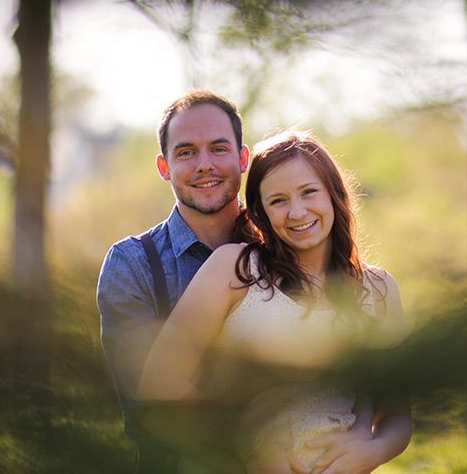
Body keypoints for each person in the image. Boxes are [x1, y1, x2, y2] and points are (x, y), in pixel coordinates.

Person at [139, 130, 412, 474]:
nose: (297, 212)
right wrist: (247, 447)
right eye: (278, 200)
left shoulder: (379, 289)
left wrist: (369, 452)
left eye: (309, 192)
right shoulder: (234, 269)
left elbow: (398, 416)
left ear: (333, 194)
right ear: (262, 212)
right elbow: (159, 379)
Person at [97, 89, 250, 472]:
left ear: (242, 158)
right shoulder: (132, 264)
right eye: (186, 152)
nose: (204, 165)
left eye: (218, 148)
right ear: (164, 166)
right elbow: (147, 411)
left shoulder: (281, 244)